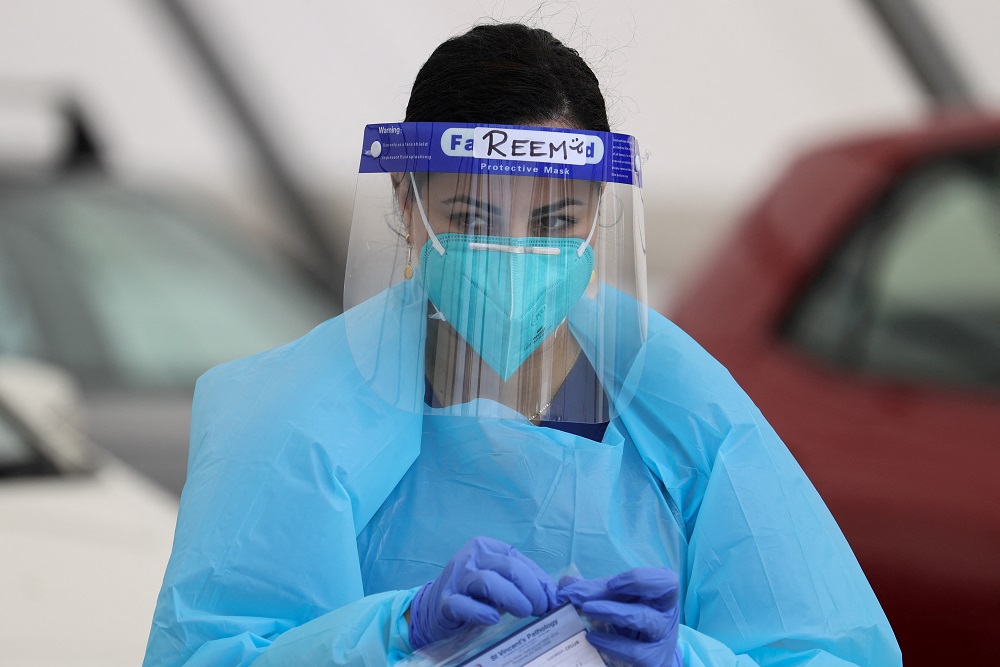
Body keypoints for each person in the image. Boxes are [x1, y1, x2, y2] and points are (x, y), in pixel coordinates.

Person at [143, 23, 901, 667]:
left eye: (554, 223)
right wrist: (392, 630)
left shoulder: (688, 417)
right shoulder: (292, 424)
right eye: (472, 218)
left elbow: (831, 650)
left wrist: (684, 657)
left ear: (599, 211)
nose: (513, 255)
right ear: (408, 205)